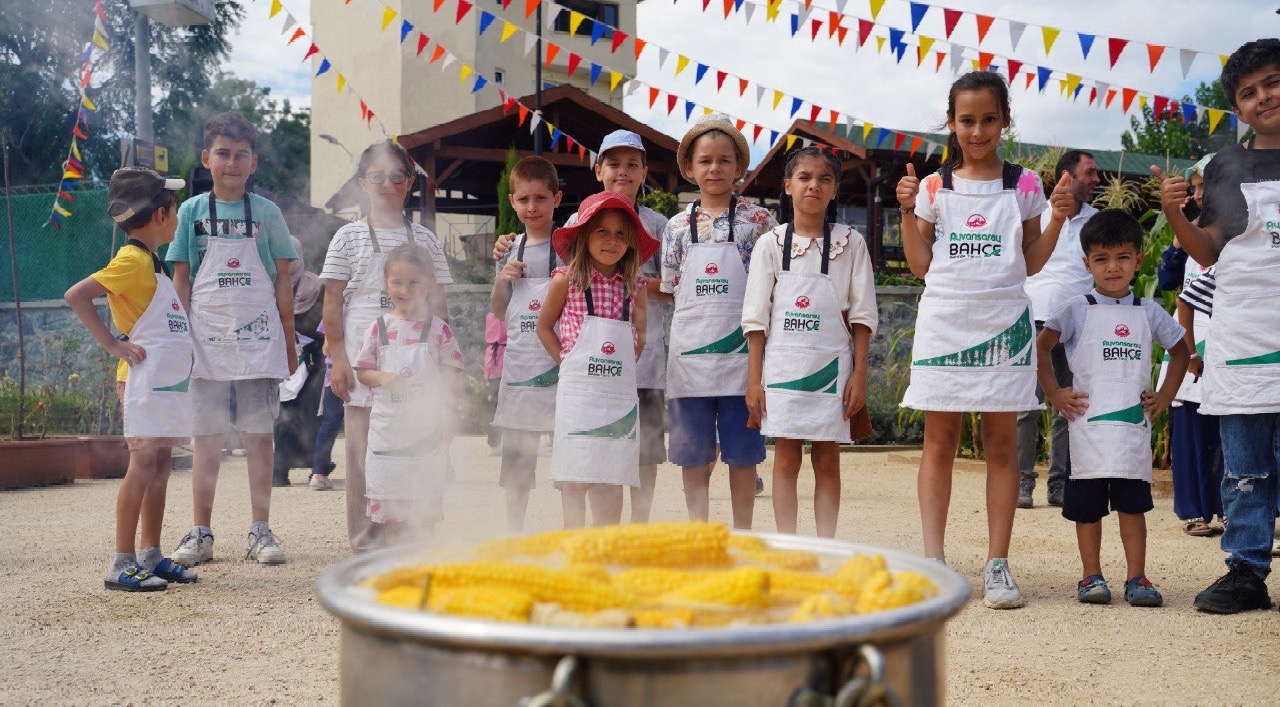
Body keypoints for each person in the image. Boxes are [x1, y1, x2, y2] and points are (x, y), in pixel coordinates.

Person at [895, 71, 1071, 609]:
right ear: (951, 123)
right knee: (939, 443)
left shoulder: (1024, 185)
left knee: (1001, 447)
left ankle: (998, 565)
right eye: (966, 120)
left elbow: (1031, 262)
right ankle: (933, 561)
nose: (977, 131)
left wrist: (1059, 220)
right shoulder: (932, 187)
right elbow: (922, 265)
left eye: (988, 119)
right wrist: (905, 210)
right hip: (945, 322)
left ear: (1004, 122)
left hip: (1005, 327)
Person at [1153, 38, 1280, 614]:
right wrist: (1177, 212)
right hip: (1244, 335)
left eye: (1272, 83)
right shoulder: (1226, 165)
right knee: (1245, 466)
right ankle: (1247, 571)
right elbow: (1206, 250)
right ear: (1237, 107)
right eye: (1248, 93)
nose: (1263, 98)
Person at [492, 132, 671, 523]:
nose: (622, 171)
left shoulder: (659, 227)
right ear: (598, 170)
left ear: (644, 171)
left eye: (632, 164)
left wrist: (635, 336)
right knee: (579, 462)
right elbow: (548, 315)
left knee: (631, 458)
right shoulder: (568, 245)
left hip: (637, 374)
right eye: (613, 163)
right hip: (576, 378)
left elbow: (665, 295)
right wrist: (566, 358)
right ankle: (558, 535)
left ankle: (630, 537)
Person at [1036, 209, 1190, 607]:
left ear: (1138, 260)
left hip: (1130, 433)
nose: (1113, 267)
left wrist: (1166, 395)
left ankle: (1137, 578)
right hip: (1086, 431)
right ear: (1087, 263)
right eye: (1101, 259)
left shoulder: (1149, 311)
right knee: (1087, 511)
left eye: (1123, 257)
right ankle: (1091, 577)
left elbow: (1179, 352)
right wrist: (1054, 392)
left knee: (1132, 507)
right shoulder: (1075, 308)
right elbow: (1041, 346)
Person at [167, 112, 298, 567]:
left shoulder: (267, 214)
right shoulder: (190, 212)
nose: (232, 162)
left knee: (260, 438)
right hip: (205, 343)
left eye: (241, 154)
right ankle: (201, 533)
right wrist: (179, 339)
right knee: (207, 439)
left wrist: (288, 340)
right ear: (207, 159)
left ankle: (260, 531)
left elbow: (283, 281)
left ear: (254, 162)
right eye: (223, 153)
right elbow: (180, 282)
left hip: (260, 344)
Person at [65, 168, 198, 591]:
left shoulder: (151, 263)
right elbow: (77, 295)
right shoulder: (131, 260)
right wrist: (114, 345)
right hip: (143, 379)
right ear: (161, 215)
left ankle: (151, 555)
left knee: (160, 463)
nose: (175, 218)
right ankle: (121, 562)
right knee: (143, 461)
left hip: (164, 380)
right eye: (173, 210)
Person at [320, 139, 453, 552]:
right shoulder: (347, 237)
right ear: (362, 182)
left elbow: (441, 308)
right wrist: (338, 359)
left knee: (419, 451)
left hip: (418, 371)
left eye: (397, 176)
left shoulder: (426, 240)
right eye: (376, 176)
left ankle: (415, 542)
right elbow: (330, 303)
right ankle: (365, 547)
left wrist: (443, 373)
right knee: (362, 461)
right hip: (366, 370)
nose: (387, 184)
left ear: (410, 183)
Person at [742, 147, 877, 537]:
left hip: (833, 369)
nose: (813, 185)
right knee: (785, 460)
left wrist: (861, 376)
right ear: (787, 186)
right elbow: (755, 320)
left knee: (827, 460)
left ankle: (825, 546)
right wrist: (754, 380)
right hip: (782, 369)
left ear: (835, 189)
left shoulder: (851, 244)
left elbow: (863, 316)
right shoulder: (770, 244)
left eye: (824, 178)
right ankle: (788, 545)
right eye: (804, 177)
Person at [662, 114, 777, 529]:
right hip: (690, 359)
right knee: (692, 455)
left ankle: (743, 535)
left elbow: (773, 286)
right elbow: (672, 285)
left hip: (742, 361)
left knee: (742, 455)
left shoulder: (759, 222)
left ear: (738, 167)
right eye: (705, 161)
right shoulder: (675, 227)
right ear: (690, 168)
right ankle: (699, 534)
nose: (714, 168)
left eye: (724, 160)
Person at [536, 191, 658, 528]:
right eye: (602, 231)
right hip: (578, 395)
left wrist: (626, 359)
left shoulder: (635, 285)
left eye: (621, 233)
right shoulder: (567, 279)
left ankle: (606, 543)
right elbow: (544, 326)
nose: (612, 240)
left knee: (611, 472)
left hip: (617, 397)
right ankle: (573, 543)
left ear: (631, 242)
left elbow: (640, 331)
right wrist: (568, 361)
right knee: (574, 474)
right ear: (583, 235)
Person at [353, 244, 462, 546]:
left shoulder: (440, 331)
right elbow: (363, 371)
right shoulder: (378, 329)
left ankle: (424, 571)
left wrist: (450, 419)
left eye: (414, 282)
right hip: (387, 435)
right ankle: (395, 572)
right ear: (386, 283)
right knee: (392, 514)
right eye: (397, 282)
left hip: (425, 436)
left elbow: (451, 381)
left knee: (424, 512)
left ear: (429, 284)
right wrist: (383, 377)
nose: (405, 289)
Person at [1017, 150, 1102, 508]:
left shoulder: (1099, 221)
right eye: (1090, 173)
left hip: (1077, 325)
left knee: (1069, 406)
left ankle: (1059, 484)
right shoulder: (1036, 213)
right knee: (1025, 405)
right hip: (1034, 319)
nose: (1097, 179)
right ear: (1067, 176)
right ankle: (1021, 484)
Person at [490, 156, 564, 532]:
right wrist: (502, 279)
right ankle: (513, 530)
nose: (532, 207)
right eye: (524, 199)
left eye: (540, 198)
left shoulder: (570, 245)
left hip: (561, 364)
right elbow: (498, 310)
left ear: (556, 199)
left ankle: (571, 529)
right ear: (512, 201)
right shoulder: (507, 249)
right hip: (520, 367)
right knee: (518, 462)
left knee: (570, 457)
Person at [1154, 154, 1222, 537]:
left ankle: (1232, 507)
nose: (1199, 194)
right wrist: (1179, 240)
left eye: (1204, 186)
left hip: (1232, 337)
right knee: (1191, 429)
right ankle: (1194, 510)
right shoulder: (1190, 230)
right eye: (1195, 187)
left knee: (1231, 427)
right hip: (1190, 336)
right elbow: (1166, 282)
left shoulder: (1242, 230)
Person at [308, 319, 342, 491]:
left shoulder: (339, 308)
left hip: (336, 373)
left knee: (329, 424)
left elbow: (326, 348)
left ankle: (319, 473)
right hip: (363, 372)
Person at [483, 312, 506, 458]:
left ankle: (494, 443)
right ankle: (494, 443)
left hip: (494, 358)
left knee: (495, 403)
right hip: (502, 357)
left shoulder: (491, 314)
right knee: (497, 404)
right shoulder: (505, 313)